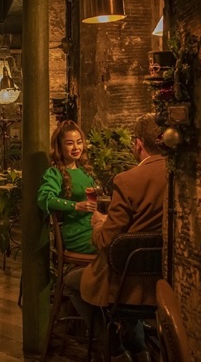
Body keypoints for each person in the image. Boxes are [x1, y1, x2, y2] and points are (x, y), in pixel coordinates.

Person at [65, 113, 167, 362]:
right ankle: (140, 351)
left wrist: (99, 224)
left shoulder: (128, 180)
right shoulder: (179, 175)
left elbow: (106, 242)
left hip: (124, 281)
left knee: (70, 282)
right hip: (163, 280)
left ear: (138, 143)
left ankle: (113, 349)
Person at [37, 120, 98, 254]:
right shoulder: (54, 173)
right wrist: (75, 206)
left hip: (95, 227)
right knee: (117, 247)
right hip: (77, 234)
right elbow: (45, 198)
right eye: (70, 143)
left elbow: (92, 206)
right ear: (59, 146)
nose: (76, 147)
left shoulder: (84, 171)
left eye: (79, 142)